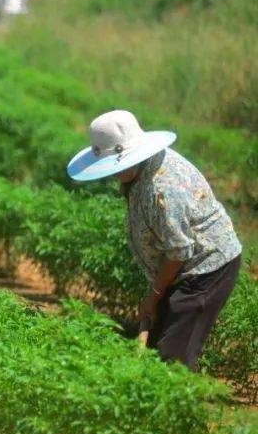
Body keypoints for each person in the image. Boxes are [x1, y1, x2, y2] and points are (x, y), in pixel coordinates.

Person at [67, 110, 242, 370]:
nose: (113, 173)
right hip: (179, 268)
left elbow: (179, 251)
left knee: (171, 358)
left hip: (205, 268)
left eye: (116, 165)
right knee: (155, 350)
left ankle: (178, 407)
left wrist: (154, 295)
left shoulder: (162, 189)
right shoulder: (138, 171)